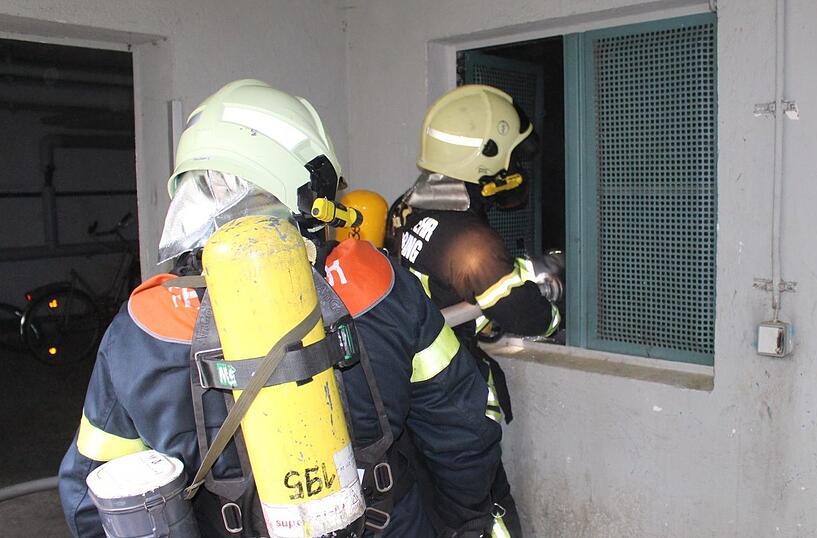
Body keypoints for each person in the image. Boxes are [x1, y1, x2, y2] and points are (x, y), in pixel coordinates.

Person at [58, 79, 503, 538]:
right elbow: (462, 428)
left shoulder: (142, 329)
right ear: (309, 188)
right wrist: (464, 518)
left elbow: (93, 492)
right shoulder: (381, 286)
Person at [387, 84, 564, 538]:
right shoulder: (469, 241)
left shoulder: (405, 208)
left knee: (433, 510)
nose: (518, 169)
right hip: (451, 400)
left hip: (405, 396)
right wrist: (550, 295)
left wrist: (486, 305)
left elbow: (435, 290)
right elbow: (528, 317)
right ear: (485, 159)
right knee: (483, 516)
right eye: (513, 158)